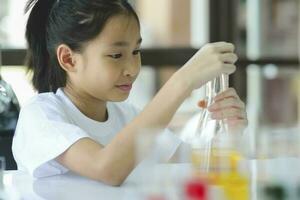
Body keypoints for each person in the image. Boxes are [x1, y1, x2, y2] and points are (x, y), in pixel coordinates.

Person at [12, 0, 247, 186]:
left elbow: (198, 165)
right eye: (116, 55)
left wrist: (231, 130)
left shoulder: (126, 115)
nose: (133, 68)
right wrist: (181, 82)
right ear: (68, 59)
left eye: (136, 51)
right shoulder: (41, 115)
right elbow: (106, 169)